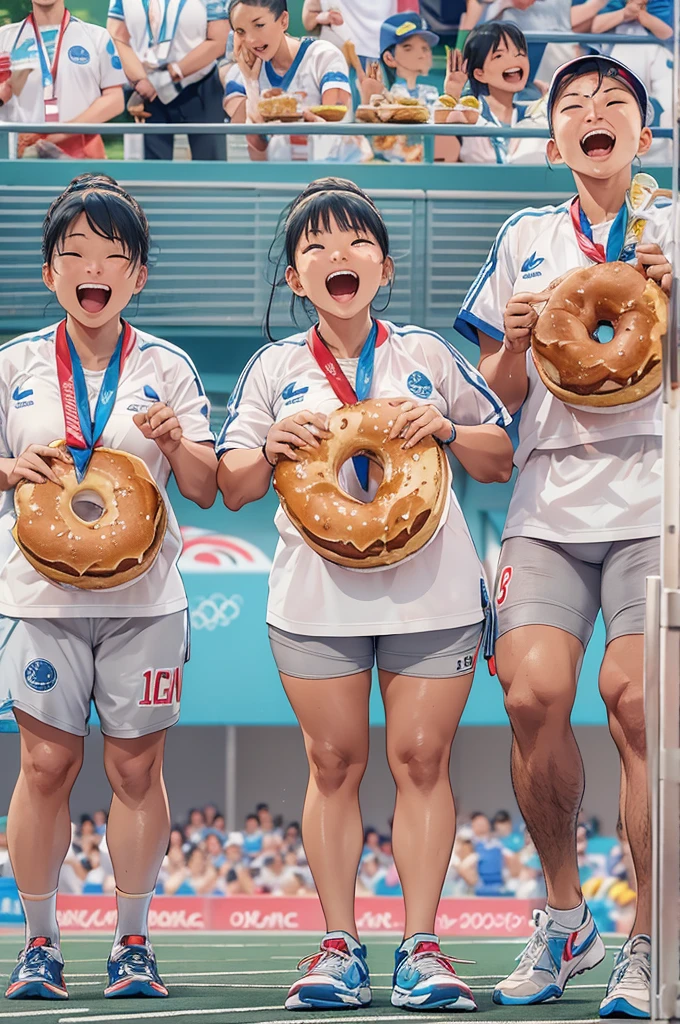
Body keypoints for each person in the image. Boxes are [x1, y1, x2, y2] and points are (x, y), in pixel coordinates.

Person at [217, 176, 513, 1012]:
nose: (336, 256)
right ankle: (338, 944)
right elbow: (232, 485)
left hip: (433, 593)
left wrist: (450, 429)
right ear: (294, 279)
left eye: (354, 243)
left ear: (384, 266)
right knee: (332, 763)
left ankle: (422, 945)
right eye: (314, 247)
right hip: (317, 600)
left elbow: (501, 452)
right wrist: (269, 444)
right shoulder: (274, 368)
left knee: (422, 761)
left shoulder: (425, 355)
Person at [455, 55, 671, 1018]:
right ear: (554, 142)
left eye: (614, 103)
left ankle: (651, 938)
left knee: (638, 705)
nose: (596, 113)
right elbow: (496, 398)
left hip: (657, 498)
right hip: (548, 503)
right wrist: (508, 342)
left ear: (644, 133)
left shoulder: (671, 231)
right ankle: (563, 917)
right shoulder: (526, 237)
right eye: (575, 106)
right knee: (532, 693)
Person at [1, 174, 217, 1002]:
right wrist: (8, 468)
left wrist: (174, 438)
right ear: (49, 271)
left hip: (145, 603)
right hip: (38, 598)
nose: (94, 269)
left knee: (136, 771)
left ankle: (132, 940)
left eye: (114, 257)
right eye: (75, 254)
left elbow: (204, 487)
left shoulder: (167, 366)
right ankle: (41, 943)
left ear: (138, 277)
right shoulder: (15, 364)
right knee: (45, 765)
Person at [223, 0, 356, 163]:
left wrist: (280, 114)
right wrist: (250, 83)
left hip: (329, 177)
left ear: (283, 21)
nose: (250, 39)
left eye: (259, 25)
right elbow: (257, 153)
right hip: (278, 179)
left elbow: (332, 125)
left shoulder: (323, 57)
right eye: (241, 31)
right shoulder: (238, 75)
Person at [0, 0, 125, 159]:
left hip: (82, 159)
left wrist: (53, 135)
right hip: (18, 158)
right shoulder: (4, 38)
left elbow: (115, 100)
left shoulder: (97, 36)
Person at [106, 0, 229, 160]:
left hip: (199, 84)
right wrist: (140, 81)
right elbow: (116, 36)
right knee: (152, 172)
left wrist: (168, 76)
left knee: (211, 167)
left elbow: (218, 40)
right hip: (146, 91)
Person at [442, 23, 548, 164]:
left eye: (520, 53)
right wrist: (451, 96)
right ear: (479, 73)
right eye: (499, 56)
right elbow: (442, 157)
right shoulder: (465, 115)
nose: (515, 60)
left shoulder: (538, 117)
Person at [590, 0, 672, 162]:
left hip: (657, 62)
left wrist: (641, 14)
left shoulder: (662, 5)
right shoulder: (610, 5)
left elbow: (668, 32)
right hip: (615, 69)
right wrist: (624, 14)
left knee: (669, 108)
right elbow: (594, 27)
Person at [357, 11, 445, 163]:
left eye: (425, 48)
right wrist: (369, 102)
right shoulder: (384, 98)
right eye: (408, 47)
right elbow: (373, 145)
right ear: (389, 58)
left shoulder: (432, 93)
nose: (421, 54)